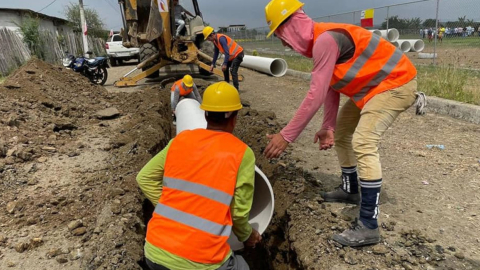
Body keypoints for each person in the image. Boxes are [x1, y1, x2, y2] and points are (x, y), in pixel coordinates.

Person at [263, 0, 420, 247]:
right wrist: (328, 127)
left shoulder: (325, 40)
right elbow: (330, 89)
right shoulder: (322, 42)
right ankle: (351, 190)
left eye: (282, 35)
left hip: (396, 85)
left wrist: (286, 136)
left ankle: (369, 225)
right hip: (372, 90)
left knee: (364, 141)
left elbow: (314, 95)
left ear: (291, 26)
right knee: (344, 132)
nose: (284, 43)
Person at [137, 81, 262, 270]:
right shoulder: (241, 153)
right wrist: (248, 235)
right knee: (242, 266)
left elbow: (144, 178)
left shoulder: (179, 141)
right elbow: (238, 213)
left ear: (205, 114)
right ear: (234, 118)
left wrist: (170, 205)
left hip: (154, 252)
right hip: (202, 261)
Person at [203, 26, 244, 91]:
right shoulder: (215, 41)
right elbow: (216, 53)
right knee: (224, 69)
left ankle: (236, 90)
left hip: (238, 54)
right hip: (232, 56)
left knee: (233, 71)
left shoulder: (221, 39)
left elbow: (227, 52)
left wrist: (225, 64)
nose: (208, 40)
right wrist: (212, 64)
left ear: (212, 34)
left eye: (208, 38)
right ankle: (226, 86)